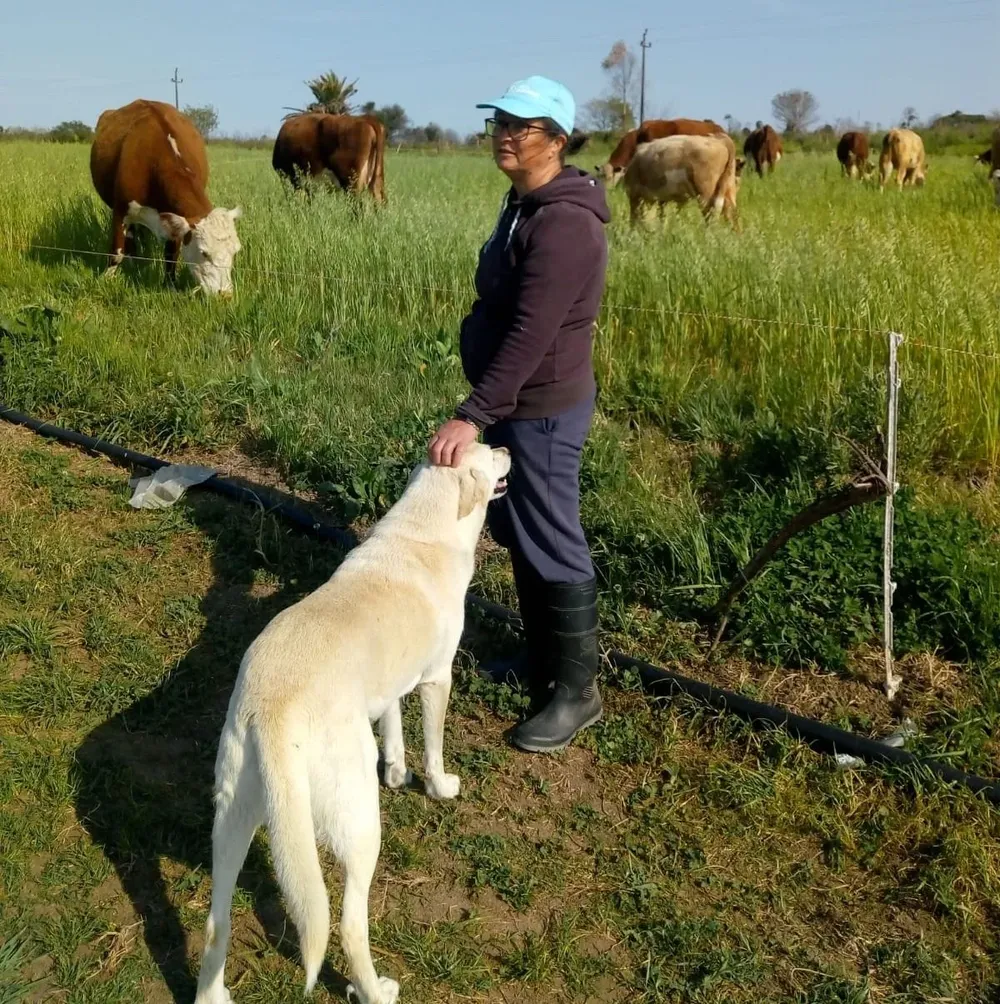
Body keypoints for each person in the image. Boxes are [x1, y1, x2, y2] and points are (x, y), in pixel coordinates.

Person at [427, 76, 611, 753]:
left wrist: (472, 415)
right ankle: (542, 663)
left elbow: (533, 333)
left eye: (523, 126)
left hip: (543, 408)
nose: (505, 134)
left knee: (552, 534)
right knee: (523, 530)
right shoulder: (526, 202)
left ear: (558, 140)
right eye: (499, 121)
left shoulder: (564, 223)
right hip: (518, 404)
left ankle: (577, 693)